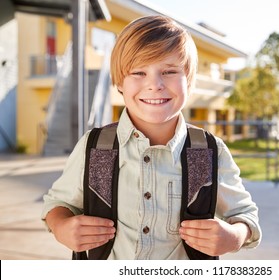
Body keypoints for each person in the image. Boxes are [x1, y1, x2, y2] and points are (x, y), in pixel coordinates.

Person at [41, 15, 261, 260]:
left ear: (188, 80)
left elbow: (245, 215)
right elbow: (58, 204)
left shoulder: (210, 151)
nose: (155, 84)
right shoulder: (94, 147)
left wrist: (235, 236)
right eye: (138, 72)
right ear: (119, 82)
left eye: (169, 71)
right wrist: (61, 227)